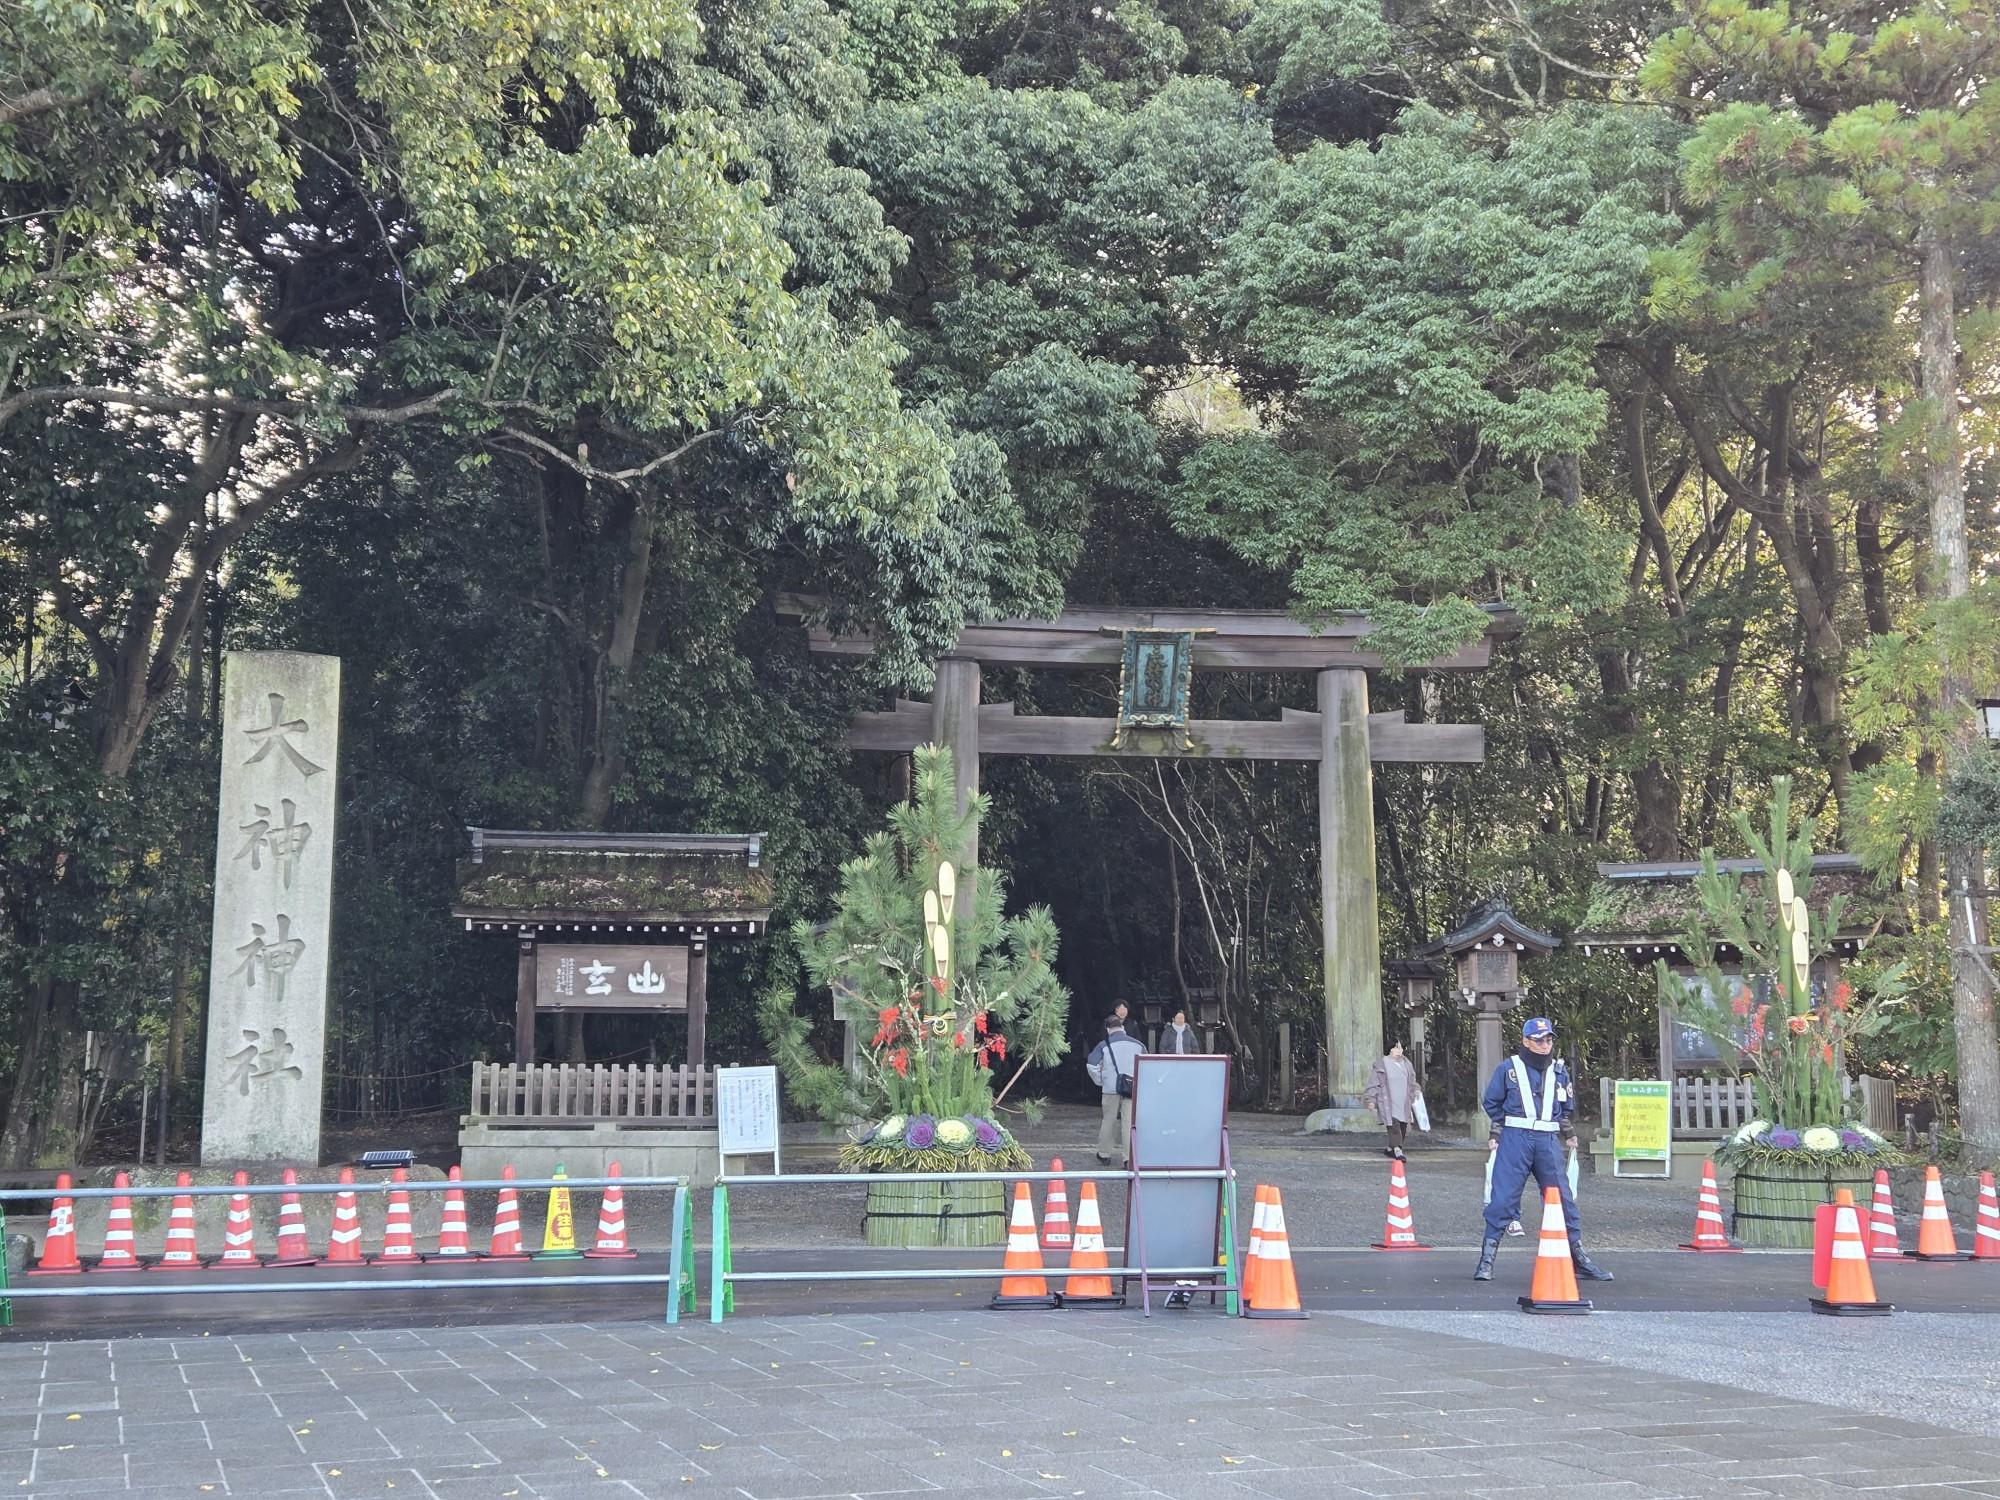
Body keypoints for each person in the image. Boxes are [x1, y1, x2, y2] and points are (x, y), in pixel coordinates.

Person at [1474, 1016, 1611, 1284]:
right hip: (1516, 1138)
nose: (1545, 1044)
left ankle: (1578, 1258)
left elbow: (1565, 1108)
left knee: (1562, 1199)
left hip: (1547, 1140)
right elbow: (1491, 1101)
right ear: (1526, 1041)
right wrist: (1501, 1129)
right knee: (1503, 1198)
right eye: (1538, 1040)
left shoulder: (1559, 1071)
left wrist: (1568, 1133)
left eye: (1548, 1039)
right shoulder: (1508, 1068)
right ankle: (1486, 1259)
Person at [1085, 1014, 1144, 1165]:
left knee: (1108, 1121)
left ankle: (1104, 1154)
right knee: (1129, 1123)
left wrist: (1101, 1080)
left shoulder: (1103, 1045)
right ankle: (1128, 1158)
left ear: (1108, 1029)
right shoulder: (1138, 1044)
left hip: (1110, 1089)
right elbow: (1146, 1065)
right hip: (1132, 1088)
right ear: (1122, 1028)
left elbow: (1091, 1065)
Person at [1363, 1040, 1425, 1160]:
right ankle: (1398, 1151)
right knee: (1394, 1126)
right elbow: (1373, 1084)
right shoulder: (1381, 1065)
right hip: (1387, 1102)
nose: (1399, 1051)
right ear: (1390, 1049)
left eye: (1401, 1048)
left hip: (1403, 1101)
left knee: (1403, 1127)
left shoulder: (1406, 1064)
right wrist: (1371, 1100)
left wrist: (1416, 1089)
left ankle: (1390, 1149)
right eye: (1396, 1048)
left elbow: (1412, 1081)